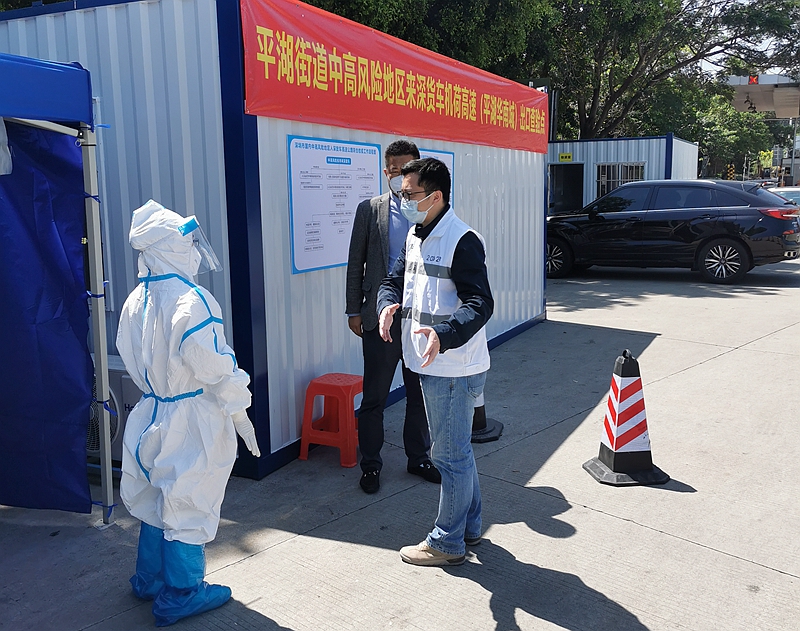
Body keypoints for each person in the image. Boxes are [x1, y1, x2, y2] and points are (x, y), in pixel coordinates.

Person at [116, 200, 261, 626]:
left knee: (157, 494)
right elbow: (213, 365)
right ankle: (182, 593)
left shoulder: (135, 299)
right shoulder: (192, 301)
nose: (194, 249)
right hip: (192, 416)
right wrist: (239, 407)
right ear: (169, 247)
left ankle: (150, 578)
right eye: (187, 241)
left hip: (152, 412)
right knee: (189, 500)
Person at [377, 158, 493, 566]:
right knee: (457, 451)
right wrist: (387, 304)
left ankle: (446, 542)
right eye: (401, 193)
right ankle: (470, 526)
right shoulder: (417, 233)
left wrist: (444, 334)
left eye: (409, 194)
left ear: (436, 196)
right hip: (428, 362)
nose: (403, 201)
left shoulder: (462, 239)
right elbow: (393, 280)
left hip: (453, 366)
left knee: (448, 456)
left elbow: (480, 303)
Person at [346, 140, 440, 494]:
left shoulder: (430, 209)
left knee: (418, 395)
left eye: (408, 169)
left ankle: (419, 457)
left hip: (419, 320)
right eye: (396, 170)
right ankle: (370, 464)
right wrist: (354, 309)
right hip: (379, 317)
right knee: (374, 397)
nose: (402, 177)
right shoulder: (370, 210)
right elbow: (356, 262)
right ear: (386, 172)